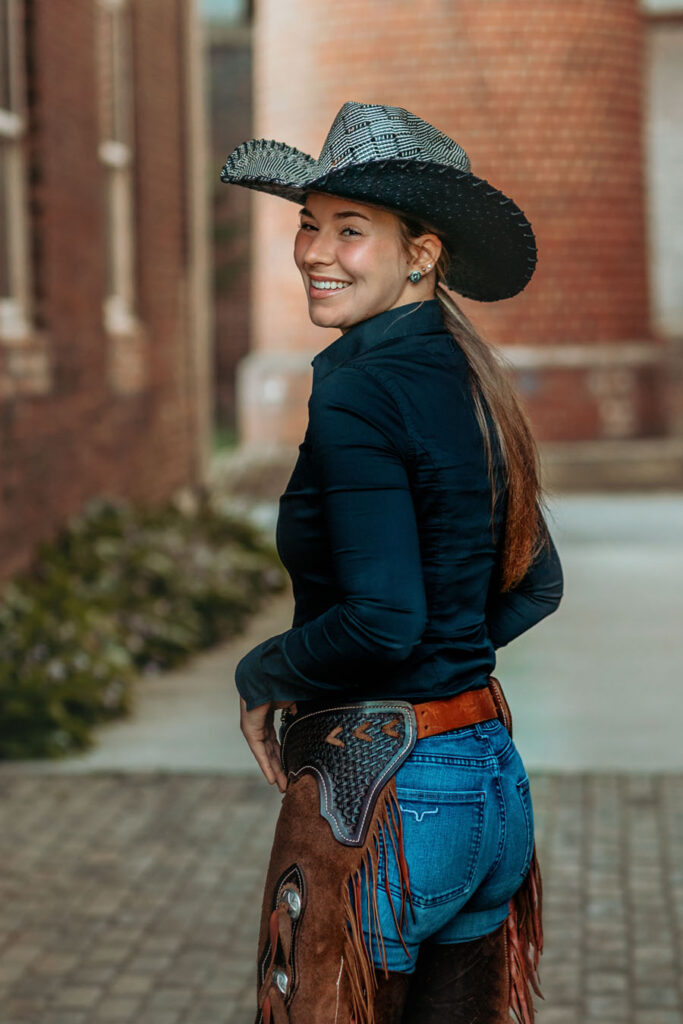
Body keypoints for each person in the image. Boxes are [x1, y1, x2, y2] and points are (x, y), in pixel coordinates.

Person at [220, 101, 564, 1024]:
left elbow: (382, 621)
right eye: (308, 223)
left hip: (392, 804)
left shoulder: (360, 393)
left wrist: (262, 673)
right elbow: (538, 582)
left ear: (420, 253)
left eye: (350, 230)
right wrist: (444, 667)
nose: (314, 252)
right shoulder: (471, 373)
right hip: (489, 783)